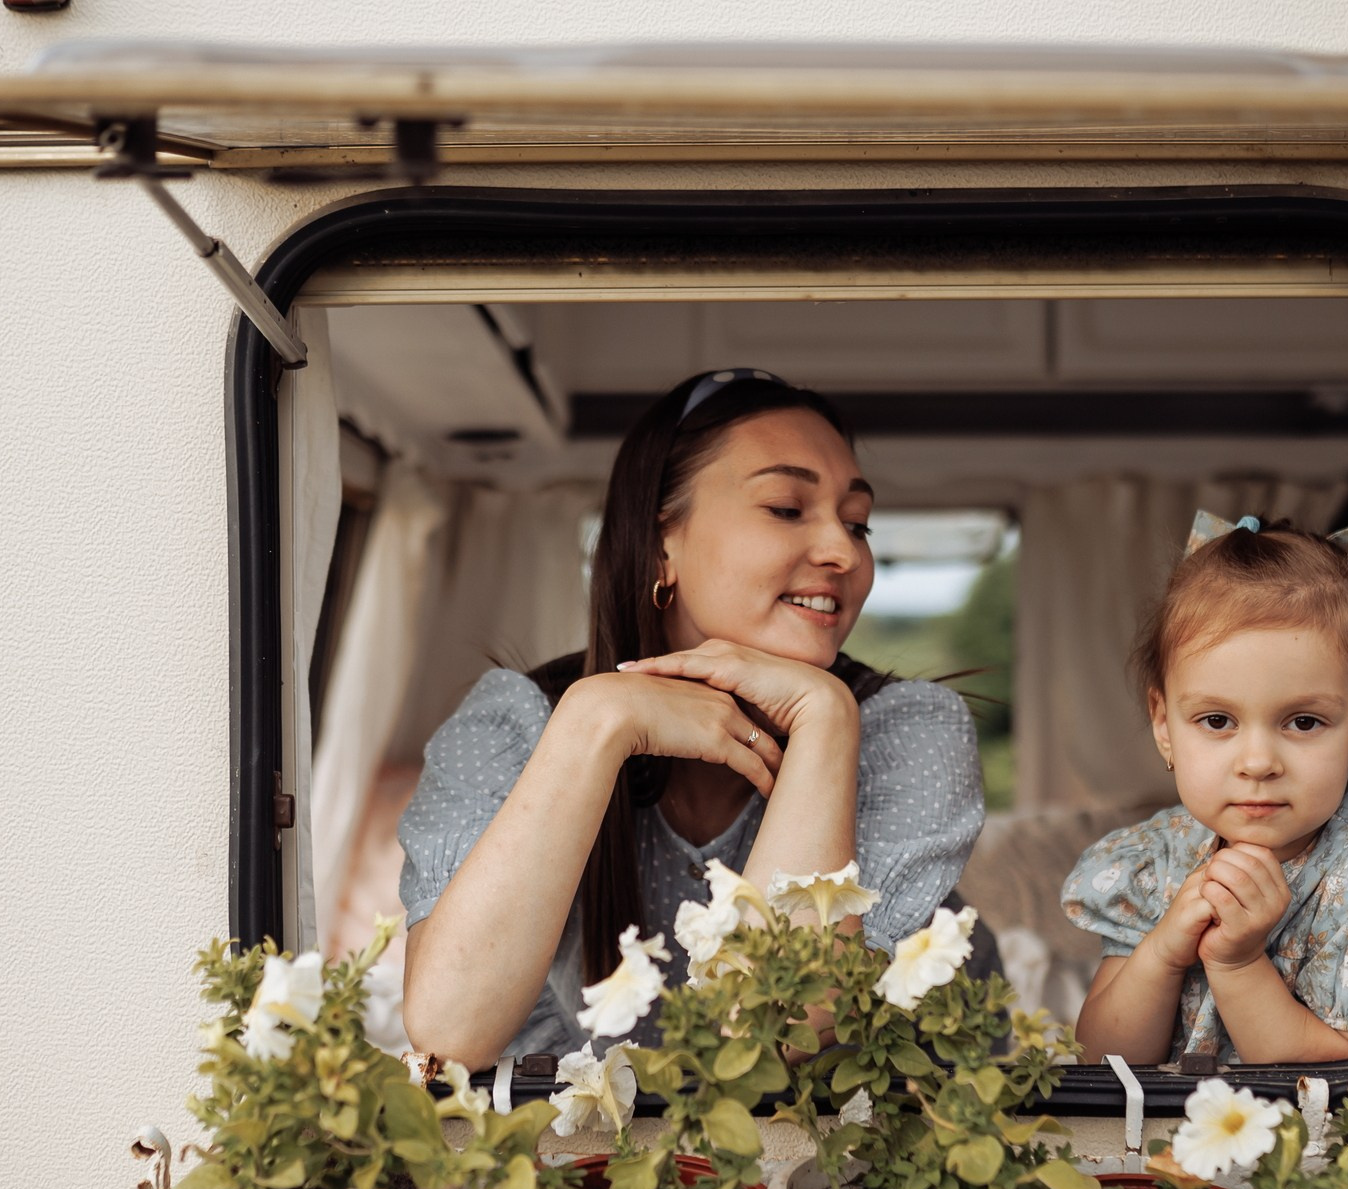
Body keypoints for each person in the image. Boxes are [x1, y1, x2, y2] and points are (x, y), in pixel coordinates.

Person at [397, 369, 984, 1064]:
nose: (843, 552)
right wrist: (594, 723)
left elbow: (774, 1032)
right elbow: (449, 1032)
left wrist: (823, 716)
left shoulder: (907, 729)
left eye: (857, 522)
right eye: (788, 509)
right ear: (660, 545)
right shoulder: (516, 723)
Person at [1064, 512, 1348, 1065]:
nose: (1258, 762)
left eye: (1303, 722)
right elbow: (1102, 1058)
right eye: (1217, 721)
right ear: (1164, 726)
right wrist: (1163, 951)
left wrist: (1237, 963)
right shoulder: (1152, 862)